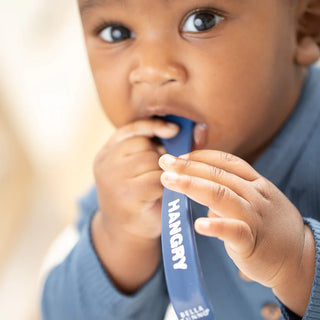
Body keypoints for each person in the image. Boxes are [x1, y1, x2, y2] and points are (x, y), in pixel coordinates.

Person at [41, 0, 320, 319]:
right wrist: (119, 240)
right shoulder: (133, 187)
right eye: (116, 32)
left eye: (202, 21)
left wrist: (301, 264)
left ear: (304, 27)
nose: (151, 71)